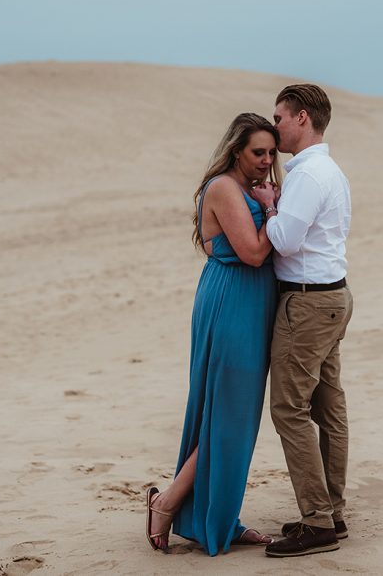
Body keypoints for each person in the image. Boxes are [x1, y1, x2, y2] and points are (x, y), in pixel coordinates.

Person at [146, 113, 282, 555]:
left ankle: (219, 516)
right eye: (257, 152)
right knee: (226, 416)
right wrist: (274, 209)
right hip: (230, 304)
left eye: (271, 152)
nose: (265, 160)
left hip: (250, 304)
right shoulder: (224, 187)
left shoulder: (250, 187)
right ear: (236, 150)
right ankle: (167, 504)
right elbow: (255, 253)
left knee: (233, 417)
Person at [250, 84, 354, 558]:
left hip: (308, 304)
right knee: (328, 407)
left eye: (280, 117)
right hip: (332, 298)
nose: (275, 126)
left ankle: (317, 523)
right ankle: (330, 510)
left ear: (303, 118)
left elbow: (286, 241)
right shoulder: (329, 170)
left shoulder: (310, 175)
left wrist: (270, 205)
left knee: (289, 410)